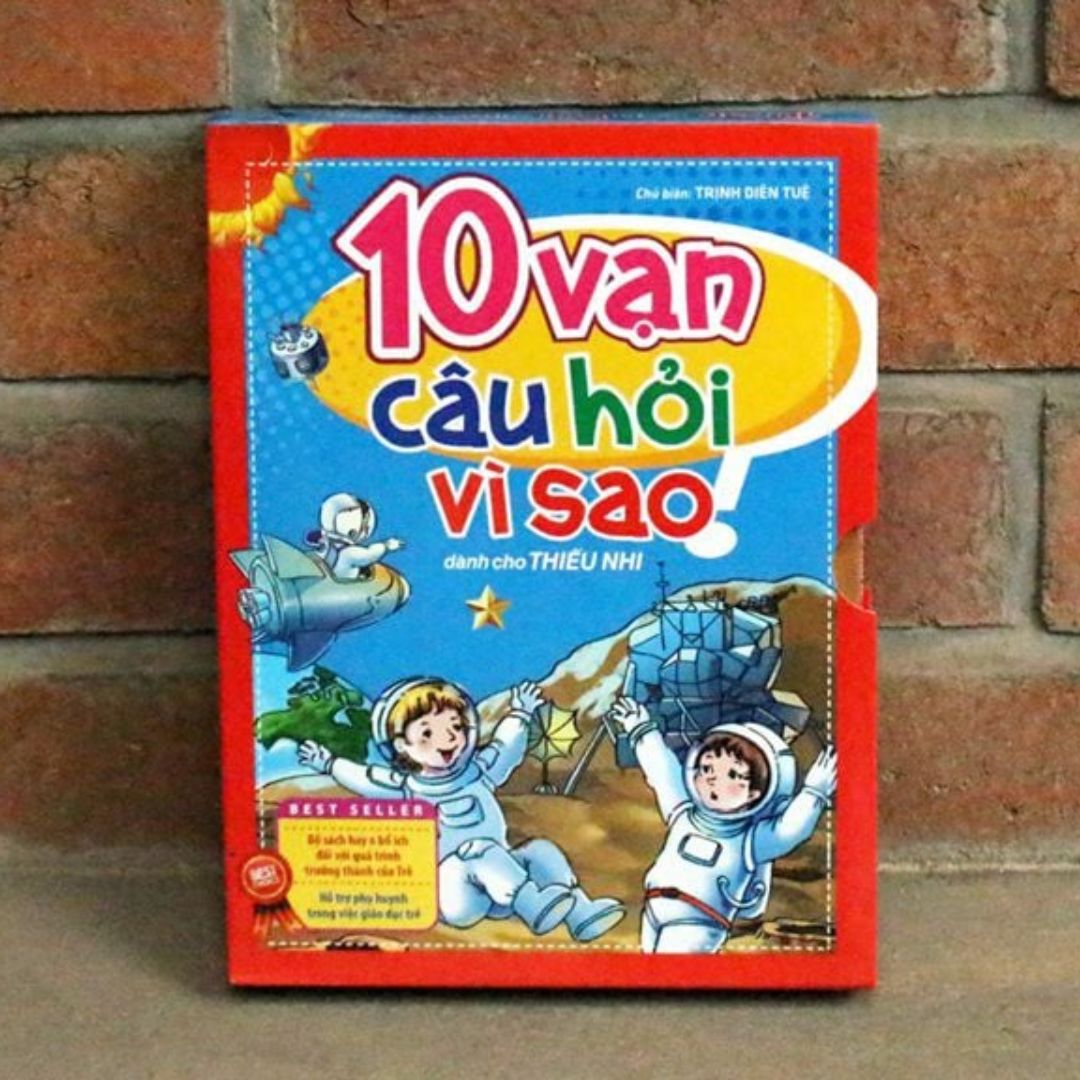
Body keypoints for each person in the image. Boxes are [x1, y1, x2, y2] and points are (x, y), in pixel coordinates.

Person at [298, 677, 625, 942]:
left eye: (454, 727)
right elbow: (366, 778)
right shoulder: (407, 788)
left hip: (501, 884)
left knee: (540, 851)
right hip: (455, 895)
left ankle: (580, 913)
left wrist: (520, 714)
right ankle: (532, 904)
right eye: (427, 733)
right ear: (401, 745)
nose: (447, 740)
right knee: (477, 850)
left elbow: (504, 748)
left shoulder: (477, 773)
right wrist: (329, 764)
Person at [608, 695, 836, 954]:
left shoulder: (749, 840)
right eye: (707, 768)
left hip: (697, 923)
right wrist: (641, 729)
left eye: (733, 774)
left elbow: (790, 830)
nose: (713, 780)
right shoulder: (684, 814)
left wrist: (814, 793)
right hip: (653, 910)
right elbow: (663, 772)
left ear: (757, 792)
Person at [306, 493, 404, 580]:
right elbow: (369, 555)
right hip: (343, 587)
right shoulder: (350, 553)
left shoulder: (325, 545)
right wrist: (386, 546)